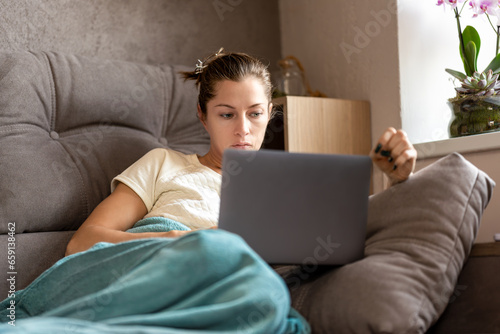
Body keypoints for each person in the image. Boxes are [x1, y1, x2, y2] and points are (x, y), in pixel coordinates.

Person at [0, 48, 417, 333]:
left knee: (274, 302)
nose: (242, 129)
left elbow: (339, 243)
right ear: (202, 116)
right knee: (242, 270)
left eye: (255, 114)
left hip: (227, 289)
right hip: (149, 265)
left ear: (270, 113)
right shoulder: (163, 163)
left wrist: (393, 179)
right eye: (226, 114)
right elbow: (82, 244)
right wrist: (188, 240)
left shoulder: (288, 190)